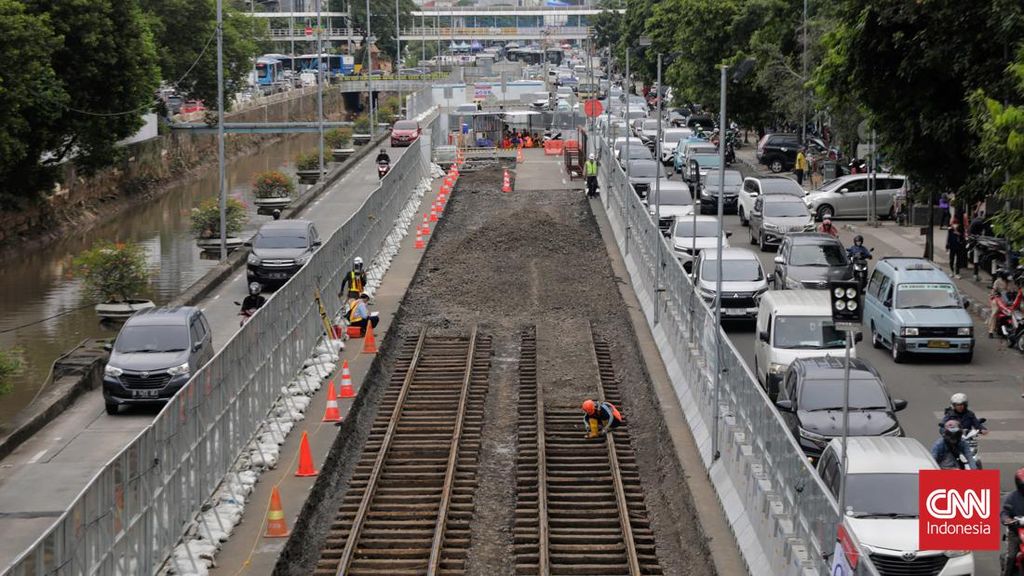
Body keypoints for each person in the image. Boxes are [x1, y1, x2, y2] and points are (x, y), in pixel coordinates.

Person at [1001, 468, 1024, 576]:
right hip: (1015, 533)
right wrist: (1008, 520)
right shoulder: (1011, 497)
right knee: (1011, 556)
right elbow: (1004, 513)